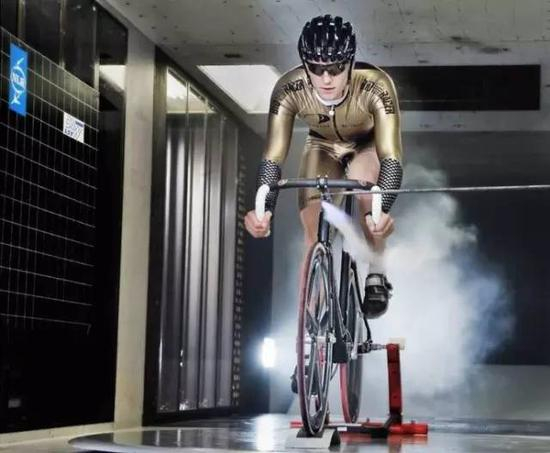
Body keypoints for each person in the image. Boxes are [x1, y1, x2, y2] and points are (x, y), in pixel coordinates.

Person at [244, 14, 403, 319]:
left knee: (368, 196)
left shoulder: (377, 85)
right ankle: (311, 324)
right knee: (313, 229)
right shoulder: (289, 88)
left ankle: (376, 271)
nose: (326, 79)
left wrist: (381, 209)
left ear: (350, 63)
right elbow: (273, 157)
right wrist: (264, 210)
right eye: (316, 69)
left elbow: (391, 158)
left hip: (366, 144)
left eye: (336, 68)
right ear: (305, 66)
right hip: (322, 146)